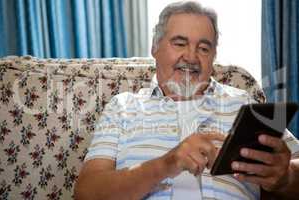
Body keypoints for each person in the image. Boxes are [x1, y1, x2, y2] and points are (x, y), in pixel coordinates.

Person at [74, 1, 299, 199]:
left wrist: (286, 177)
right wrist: (166, 165)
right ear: (155, 47)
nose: (191, 57)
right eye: (180, 43)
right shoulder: (122, 107)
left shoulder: (244, 103)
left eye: (203, 48)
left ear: (213, 56)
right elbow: (87, 192)